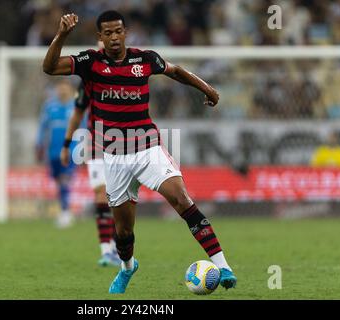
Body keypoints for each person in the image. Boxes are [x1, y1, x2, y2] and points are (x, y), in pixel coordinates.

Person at [43, 10, 237, 294]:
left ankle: (223, 266)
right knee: (123, 232)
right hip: (115, 158)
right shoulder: (90, 62)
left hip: (149, 149)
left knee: (182, 199)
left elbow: (176, 71)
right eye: (107, 33)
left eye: (118, 31)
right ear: (100, 37)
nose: (114, 37)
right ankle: (127, 267)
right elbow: (49, 67)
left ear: (126, 32)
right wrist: (61, 35)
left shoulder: (144, 59)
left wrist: (206, 89)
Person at [61, 72, 121, 267]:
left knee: (119, 198)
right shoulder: (89, 79)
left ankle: (117, 246)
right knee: (101, 193)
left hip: (124, 144)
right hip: (96, 144)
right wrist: (67, 144)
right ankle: (106, 251)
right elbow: (77, 112)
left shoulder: (129, 73)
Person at [36, 79, 77, 228]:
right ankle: (65, 210)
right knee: (59, 181)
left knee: (65, 179)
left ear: (71, 90)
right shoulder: (49, 107)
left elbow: (84, 127)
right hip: (53, 151)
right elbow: (42, 127)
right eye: (60, 87)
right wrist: (39, 144)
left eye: (65, 87)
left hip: (71, 150)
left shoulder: (76, 107)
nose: (62, 90)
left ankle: (65, 212)